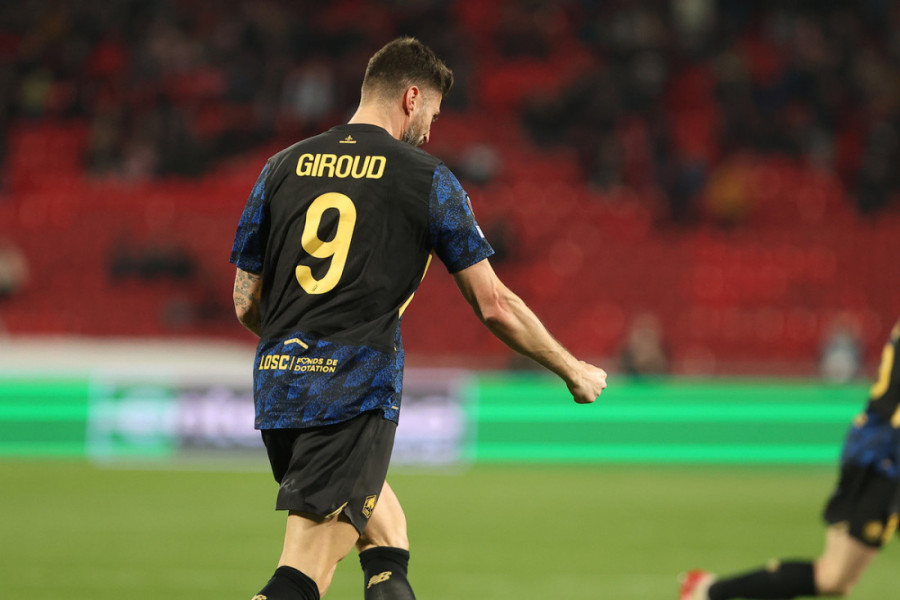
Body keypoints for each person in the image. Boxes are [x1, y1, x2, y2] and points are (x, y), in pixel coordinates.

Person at [229, 37, 608, 600]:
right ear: (411, 98)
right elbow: (494, 304)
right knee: (303, 570)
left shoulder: (280, 167)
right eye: (433, 111)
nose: (431, 128)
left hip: (279, 389)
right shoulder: (426, 178)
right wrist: (571, 368)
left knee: (387, 537)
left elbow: (245, 300)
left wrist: (301, 345)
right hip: (351, 392)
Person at [679, 318, 900, 600]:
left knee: (834, 578)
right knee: (834, 577)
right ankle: (709, 591)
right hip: (883, 454)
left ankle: (708, 591)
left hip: (881, 446)